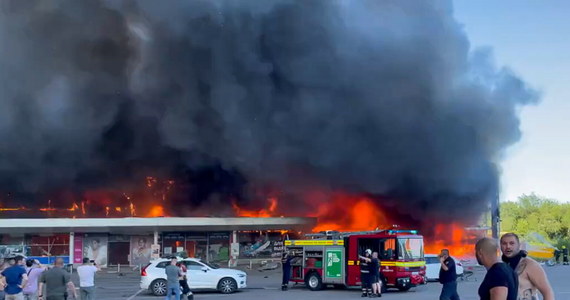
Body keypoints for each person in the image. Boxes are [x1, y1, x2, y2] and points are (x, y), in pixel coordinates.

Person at [500, 233, 554, 300]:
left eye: (512, 243)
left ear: (519, 245)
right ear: (500, 246)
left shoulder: (531, 265)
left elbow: (548, 293)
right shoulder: (501, 267)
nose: (508, 246)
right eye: (504, 243)